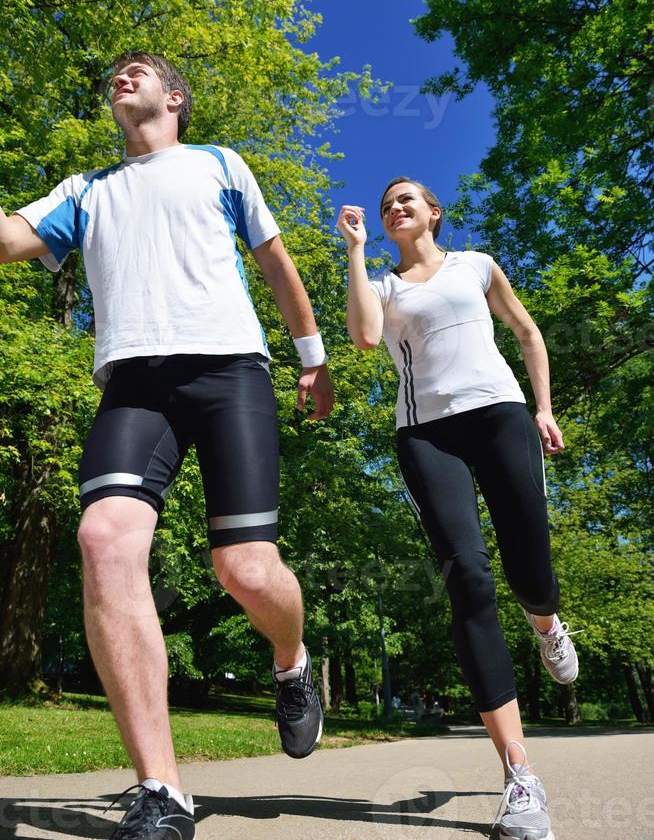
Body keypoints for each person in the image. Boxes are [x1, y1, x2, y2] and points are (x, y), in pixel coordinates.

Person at [0, 51, 334, 840]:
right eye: (115, 74)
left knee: (244, 569)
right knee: (103, 539)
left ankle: (291, 661)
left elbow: (277, 267)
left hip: (230, 372)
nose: (123, 77)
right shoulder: (85, 191)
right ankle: (160, 790)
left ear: (174, 97)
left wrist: (312, 357)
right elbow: (11, 238)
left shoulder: (221, 164)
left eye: (141, 71)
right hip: (135, 384)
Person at [337, 177, 580, 840]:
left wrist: (544, 407)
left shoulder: (478, 266)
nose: (394, 207)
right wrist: (356, 253)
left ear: (435, 213)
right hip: (426, 435)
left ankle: (547, 624)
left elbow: (527, 332)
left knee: (528, 562)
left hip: (500, 415)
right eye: (387, 204)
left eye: (406, 198)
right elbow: (362, 337)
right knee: (468, 578)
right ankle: (520, 776)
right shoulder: (384, 285)